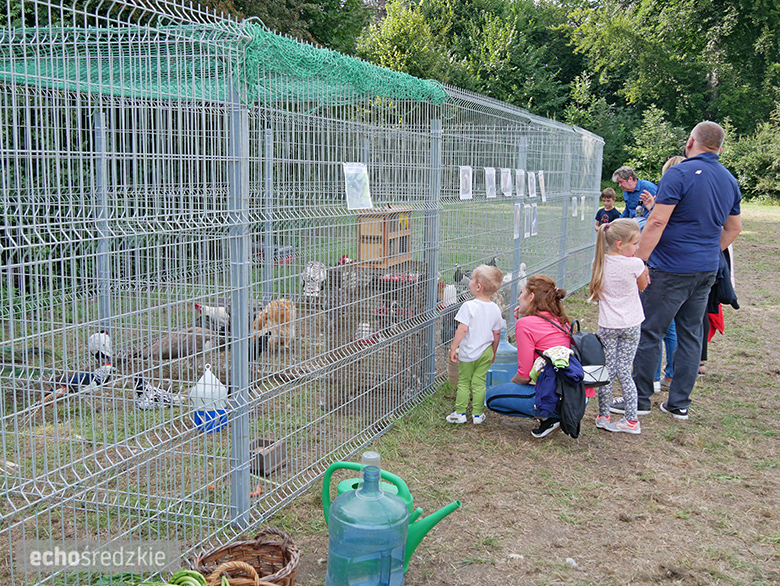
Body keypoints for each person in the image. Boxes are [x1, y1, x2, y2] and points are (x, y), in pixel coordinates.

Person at [613, 121, 742, 421]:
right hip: (706, 270)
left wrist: (640, 261)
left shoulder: (679, 173)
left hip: (670, 268)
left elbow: (657, 222)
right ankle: (679, 403)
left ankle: (640, 399)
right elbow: (734, 228)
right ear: (720, 147)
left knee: (649, 331)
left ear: (690, 141)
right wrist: (710, 250)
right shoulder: (729, 179)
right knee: (691, 334)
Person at [484, 275, 573, 438]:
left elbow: (524, 375)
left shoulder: (525, 325)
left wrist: (511, 385)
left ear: (531, 297)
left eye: (522, 293)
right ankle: (551, 415)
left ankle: (551, 414)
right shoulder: (561, 320)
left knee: (491, 397)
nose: (518, 297)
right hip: (575, 396)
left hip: (555, 396)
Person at [588, 219, 648, 434]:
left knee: (608, 371)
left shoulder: (599, 263)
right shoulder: (635, 264)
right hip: (631, 325)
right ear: (620, 244)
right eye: (635, 244)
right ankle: (631, 420)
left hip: (607, 326)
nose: (638, 248)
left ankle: (603, 414)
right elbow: (643, 285)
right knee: (624, 371)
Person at [447, 264, 504, 425]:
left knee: (464, 382)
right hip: (486, 351)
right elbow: (497, 333)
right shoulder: (495, 308)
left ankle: (460, 413)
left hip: (468, 352)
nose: (469, 281)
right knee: (479, 383)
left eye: (471, 279)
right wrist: (494, 351)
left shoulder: (468, 306)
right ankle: (478, 415)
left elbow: (462, 329)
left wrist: (453, 347)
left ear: (478, 286)